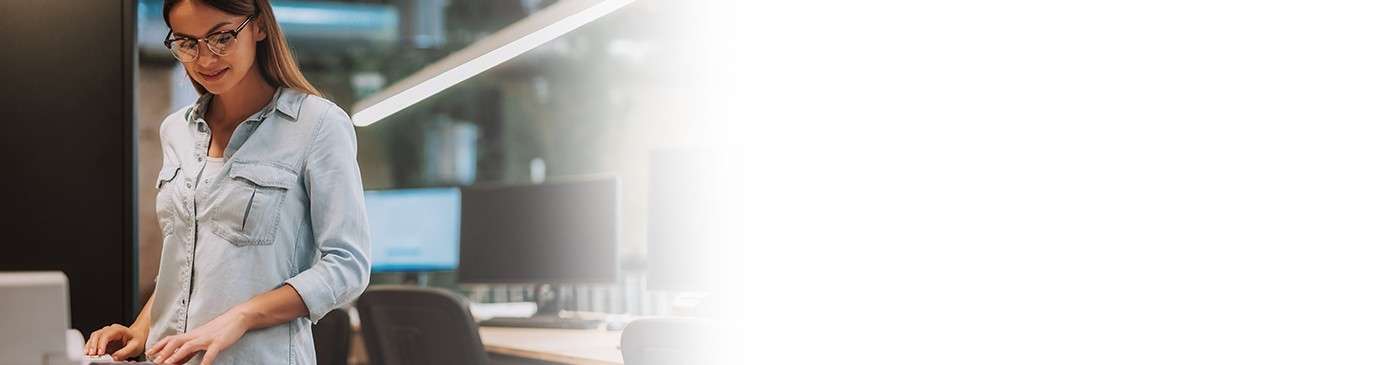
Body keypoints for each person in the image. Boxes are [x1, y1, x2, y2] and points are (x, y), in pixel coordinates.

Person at [84, 0, 371, 363]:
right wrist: (142, 330)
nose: (205, 59)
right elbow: (186, 260)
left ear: (259, 27)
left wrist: (241, 316)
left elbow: (347, 265)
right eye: (187, 43)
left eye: (221, 38)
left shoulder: (318, 124)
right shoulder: (176, 130)